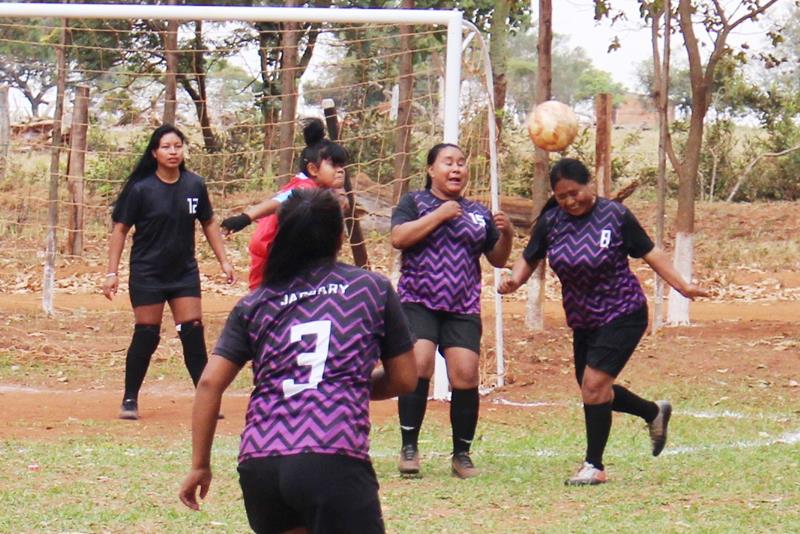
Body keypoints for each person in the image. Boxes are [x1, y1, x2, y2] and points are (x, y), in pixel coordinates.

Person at [179, 189, 417, 533]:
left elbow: (209, 383)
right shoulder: (370, 289)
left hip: (260, 462)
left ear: (282, 234)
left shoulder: (256, 302)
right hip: (331, 453)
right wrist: (345, 382)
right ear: (339, 235)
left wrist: (200, 464)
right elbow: (406, 379)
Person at [498, 158, 709, 486]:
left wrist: (682, 286)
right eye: (562, 196)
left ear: (589, 185)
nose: (570, 201)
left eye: (575, 193)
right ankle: (652, 412)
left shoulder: (615, 216)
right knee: (592, 387)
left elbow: (651, 253)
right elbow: (529, 259)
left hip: (623, 312)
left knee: (593, 386)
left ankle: (594, 466)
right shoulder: (552, 221)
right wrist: (513, 281)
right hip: (583, 320)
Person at [391, 143, 513, 479]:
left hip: (462, 307)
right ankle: (409, 448)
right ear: (431, 169)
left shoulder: (477, 212)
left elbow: (498, 259)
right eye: (448, 162)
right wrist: (439, 214)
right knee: (419, 363)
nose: (456, 169)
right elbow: (398, 238)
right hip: (418, 301)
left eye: (462, 163)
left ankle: (462, 454)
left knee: (466, 373)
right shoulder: (414, 203)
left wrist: (508, 235)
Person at [102, 124, 235, 421]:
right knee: (147, 334)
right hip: (148, 272)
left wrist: (224, 261)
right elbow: (120, 230)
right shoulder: (141, 189)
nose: (173, 151)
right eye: (166, 147)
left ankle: (207, 399)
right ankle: (129, 399)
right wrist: (112, 273)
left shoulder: (194, 185)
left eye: (178, 146)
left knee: (193, 331)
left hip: (183, 273)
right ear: (154, 152)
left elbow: (209, 222)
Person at [220, 118, 346, 289]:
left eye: (342, 165)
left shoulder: (320, 187)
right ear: (313, 170)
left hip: (290, 250)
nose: (340, 170)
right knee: (264, 295)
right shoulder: (305, 188)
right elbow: (279, 200)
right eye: (334, 165)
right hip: (269, 249)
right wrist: (245, 217)